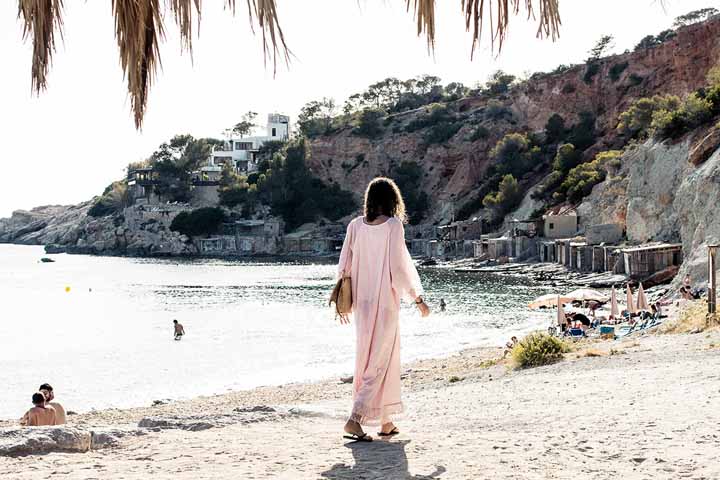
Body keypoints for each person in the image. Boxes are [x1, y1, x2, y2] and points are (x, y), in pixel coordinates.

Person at [337, 177, 430, 442]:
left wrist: (343, 302)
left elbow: (344, 266)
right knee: (378, 361)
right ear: (393, 200)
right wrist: (417, 298)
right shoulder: (392, 226)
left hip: (361, 305)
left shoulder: (355, 226)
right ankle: (355, 419)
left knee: (372, 358)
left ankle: (386, 421)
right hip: (385, 304)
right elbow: (399, 268)